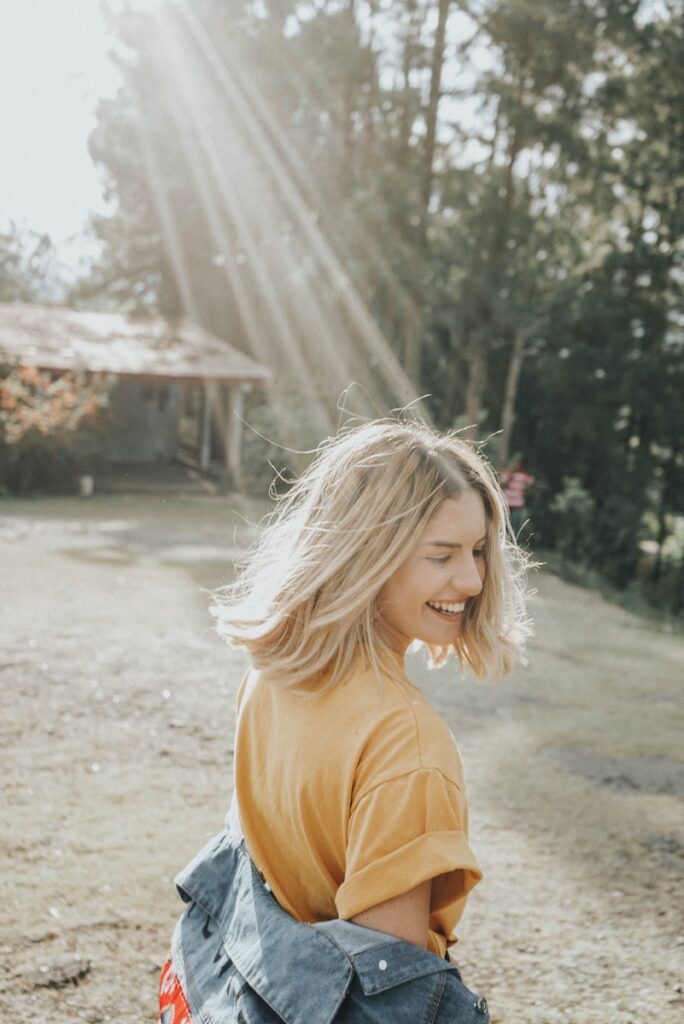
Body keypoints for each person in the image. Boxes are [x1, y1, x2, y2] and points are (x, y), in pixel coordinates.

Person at [159, 419, 532, 1024]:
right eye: (442, 555)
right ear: (368, 554)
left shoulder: (274, 670)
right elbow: (385, 998)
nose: (472, 580)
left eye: (479, 549)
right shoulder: (405, 744)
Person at [499, 457, 535, 536]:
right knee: (504, 523)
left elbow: (532, 482)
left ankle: (513, 541)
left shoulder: (523, 475)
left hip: (517, 504)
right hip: (506, 504)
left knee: (515, 525)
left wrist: (526, 490)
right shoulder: (505, 473)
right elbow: (501, 483)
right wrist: (509, 474)